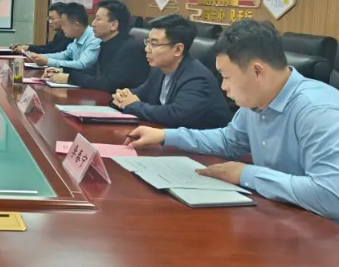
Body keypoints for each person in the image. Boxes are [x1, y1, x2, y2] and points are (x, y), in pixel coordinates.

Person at [127, 19, 339, 223]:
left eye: (226, 76)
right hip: (281, 216)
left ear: (257, 71)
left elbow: (331, 195)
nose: (223, 87)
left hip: (323, 232)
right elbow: (229, 141)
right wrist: (165, 136)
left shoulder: (318, 111)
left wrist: (246, 174)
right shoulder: (256, 99)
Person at [112, 13, 231, 129]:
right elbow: (143, 92)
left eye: (154, 44)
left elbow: (176, 115)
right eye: (147, 42)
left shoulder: (198, 78)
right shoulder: (159, 69)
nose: (147, 49)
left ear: (178, 49)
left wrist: (133, 105)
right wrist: (123, 96)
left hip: (201, 141)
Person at [45, 0, 149, 92]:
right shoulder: (106, 43)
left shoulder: (130, 49)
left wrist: (70, 78)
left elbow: (107, 83)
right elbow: (93, 71)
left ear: (114, 25)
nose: (93, 24)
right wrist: (63, 71)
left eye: (98, 19)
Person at [30, 2, 101, 70]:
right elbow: (64, 55)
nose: (62, 28)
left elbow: (81, 64)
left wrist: (48, 61)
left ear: (76, 25)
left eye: (64, 24)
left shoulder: (94, 39)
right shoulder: (78, 37)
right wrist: (39, 56)